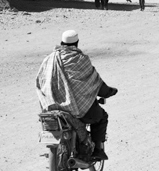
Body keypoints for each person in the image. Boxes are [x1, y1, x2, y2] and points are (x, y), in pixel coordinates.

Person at [35, 30, 118, 160]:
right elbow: (94, 81)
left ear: (61, 42)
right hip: (78, 110)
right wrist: (108, 92)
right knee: (102, 117)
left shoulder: (49, 59)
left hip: (51, 106)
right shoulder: (81, 59)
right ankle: (98, 150)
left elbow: (40, 81)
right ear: (77, 43)